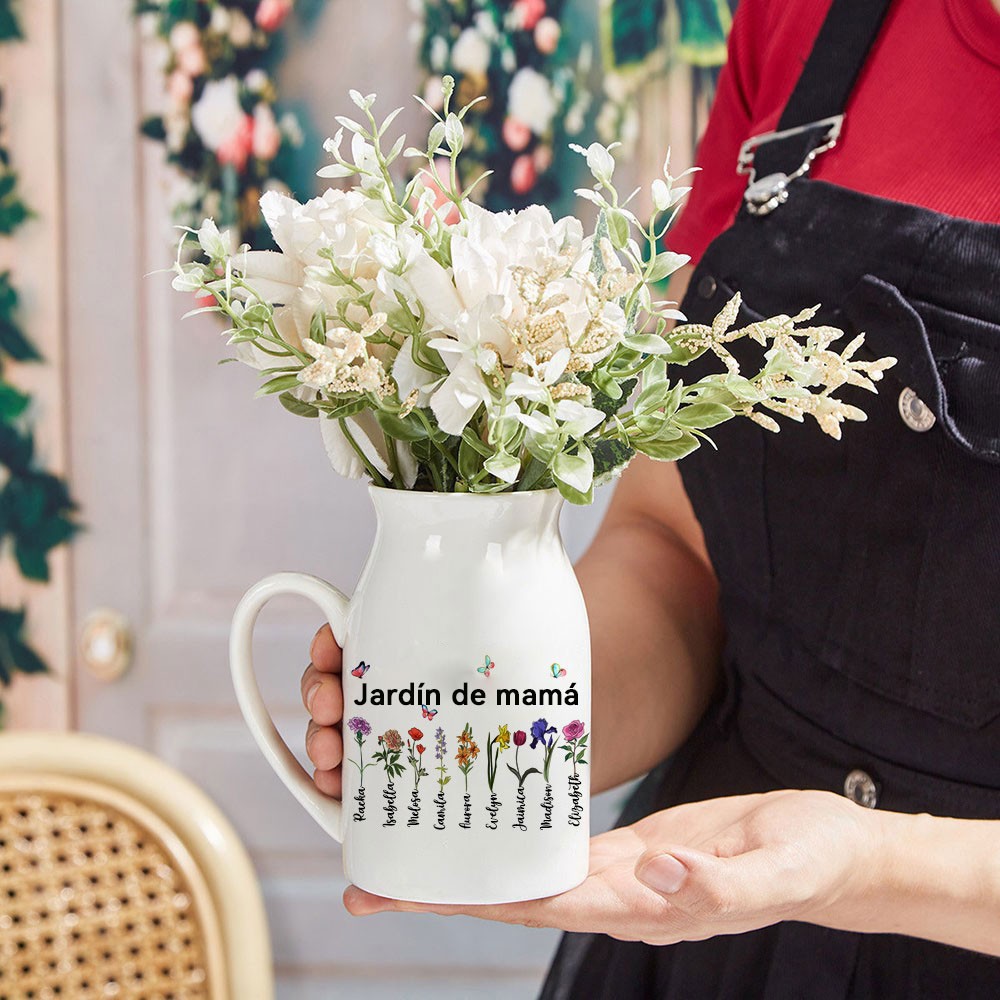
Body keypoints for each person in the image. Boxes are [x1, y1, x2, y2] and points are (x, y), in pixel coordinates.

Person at [299, 0, 1000, 994]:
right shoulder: (800, 24)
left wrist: (865, 864)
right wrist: (518, 708)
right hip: (723, 935)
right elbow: (676, 541)